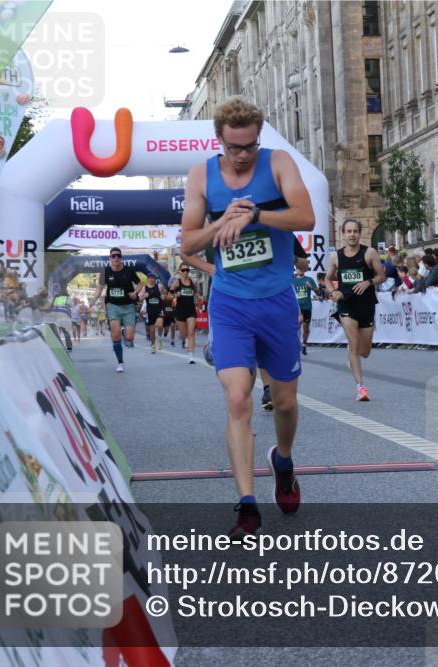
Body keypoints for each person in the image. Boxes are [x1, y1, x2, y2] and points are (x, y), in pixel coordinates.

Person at [180, 96, 315, 537]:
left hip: (276, 301)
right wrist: (222, 224)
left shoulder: (277, 163)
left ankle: (284, 460)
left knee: (285, 402)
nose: (242, 155)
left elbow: (306, 216)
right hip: (231, 303)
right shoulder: (202, 174)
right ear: (218, 140)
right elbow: (188, 245)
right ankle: (247, 504)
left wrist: (255, 213)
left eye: (250, 146)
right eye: (235, 147)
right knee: (238, 397)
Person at [325, 219, 386, 401]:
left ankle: (353, 357)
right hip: (346, 304)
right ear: (343, 234)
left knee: (364, 351)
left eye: (355, 231)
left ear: (360, 233)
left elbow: (381, 276)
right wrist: (332, 291)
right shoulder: (335, 257)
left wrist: (368, 282)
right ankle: (361, 388)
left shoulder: (369, 253)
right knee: (353, 345)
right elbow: (327, 279)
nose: (352, 235)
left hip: (366, 305)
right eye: (348, 231)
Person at [93, 247, 142, 372]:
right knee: (115, 336)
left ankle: (125, 333)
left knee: (130, 338)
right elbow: (99, 289)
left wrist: (135, 292)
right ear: (110, 258)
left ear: (121, 258)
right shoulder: (105, 272)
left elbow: (140, 284)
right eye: (113, 256)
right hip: (113, 306)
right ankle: (120, 362)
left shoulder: (129, 271)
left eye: (118, 256)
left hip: (128, 307)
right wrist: (91, 303)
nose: (116, 258)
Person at [172, 265, 200, 363]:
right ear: (180, 271)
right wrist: (175, 295)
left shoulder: (193, 282)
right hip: (180, 311)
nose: (185, 272)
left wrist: (198, 299)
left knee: (191, 331)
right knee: (184, 334)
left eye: (187, 270)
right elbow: (169, 294)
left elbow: (196, 293)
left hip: (191, 310)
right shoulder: (177, 282)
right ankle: (182, 336)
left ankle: (191, 357)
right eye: (183, 270)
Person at [293, 256, 319, 356]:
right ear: (296, 268)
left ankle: (304, 344)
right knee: (296, 327)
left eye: (302, 268)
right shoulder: (292, 280)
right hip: (296, 308)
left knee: (306, 329)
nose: (300, 270)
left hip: (307, 307)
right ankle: (296, 345)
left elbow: (318, 293)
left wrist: (311, 287)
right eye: (298, 268)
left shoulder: (309, 279)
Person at [137, 273, 167, 353]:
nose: (151, 279)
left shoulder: (159, 286)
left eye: (153, 278)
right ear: (148, 279)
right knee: (152, 330)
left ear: (155, 279)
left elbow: (165, 293)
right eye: (150, 278)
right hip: (150, 311)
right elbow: (139, 298)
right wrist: (144, 296)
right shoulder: (145, 288)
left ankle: (160, 339)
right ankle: (153, 345)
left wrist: (163, 296)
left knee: (160, 324)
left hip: (159, 309)